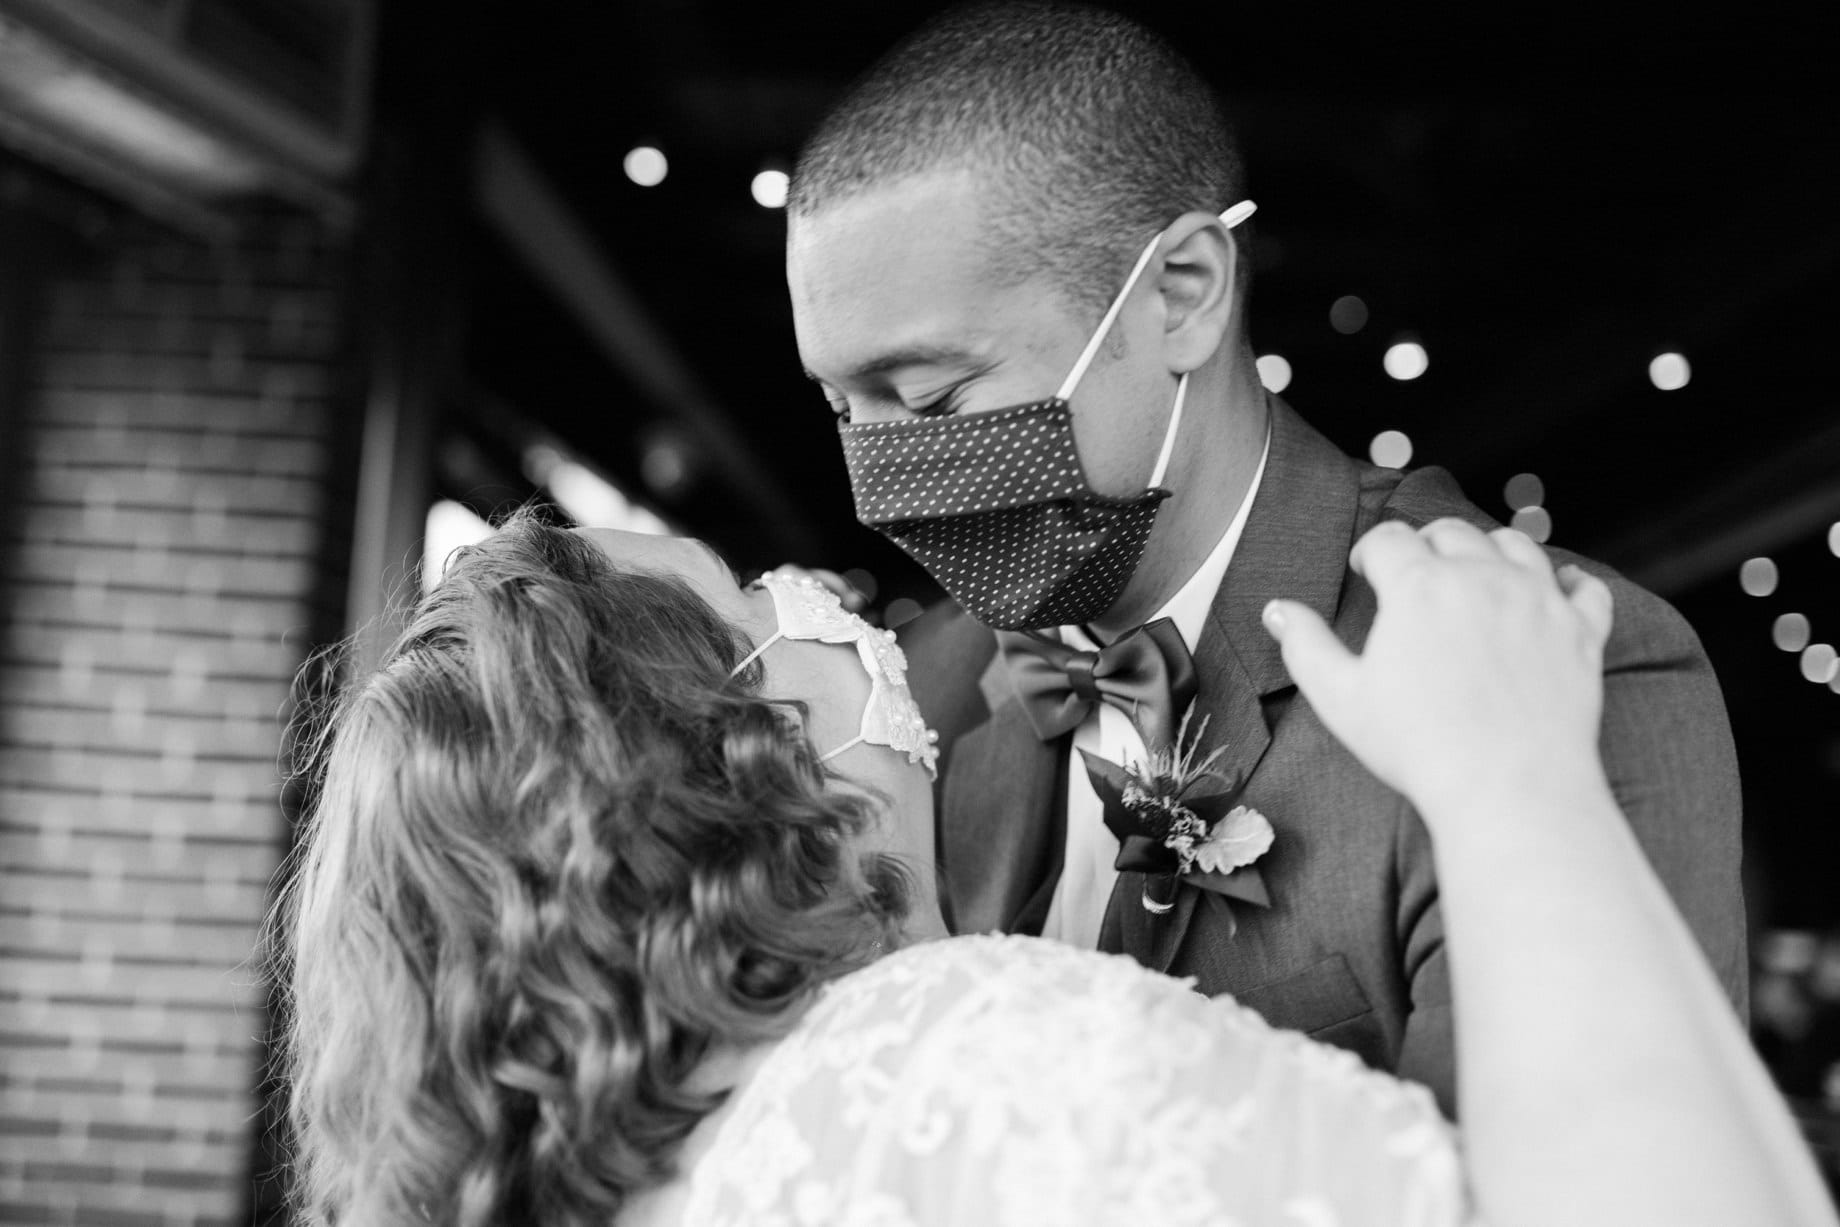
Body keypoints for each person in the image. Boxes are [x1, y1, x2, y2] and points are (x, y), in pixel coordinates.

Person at [274, 510, 1832, 1226]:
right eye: (748, 585)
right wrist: (1513, 777)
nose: (816, 579)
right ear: (712, 740)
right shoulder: (956, 1044)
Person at [784, 0, 1746, 1114]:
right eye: (842, 407)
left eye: (930, 397)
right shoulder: (914, 705)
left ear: (1182, 293)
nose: (880, 473)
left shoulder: (1565, 669)